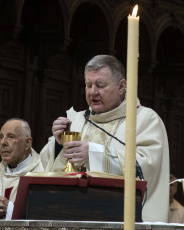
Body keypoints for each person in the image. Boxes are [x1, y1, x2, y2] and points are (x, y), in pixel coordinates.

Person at [40, 55, 169, 222]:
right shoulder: (76, 120)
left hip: (121, 219)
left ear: (122, 86)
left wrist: (94, 154)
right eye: (88, 85)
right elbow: (44, 170)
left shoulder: (145, 120)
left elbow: (147, 168)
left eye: (100, 85)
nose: (93, 92)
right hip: (73, 216)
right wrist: (58, 145)